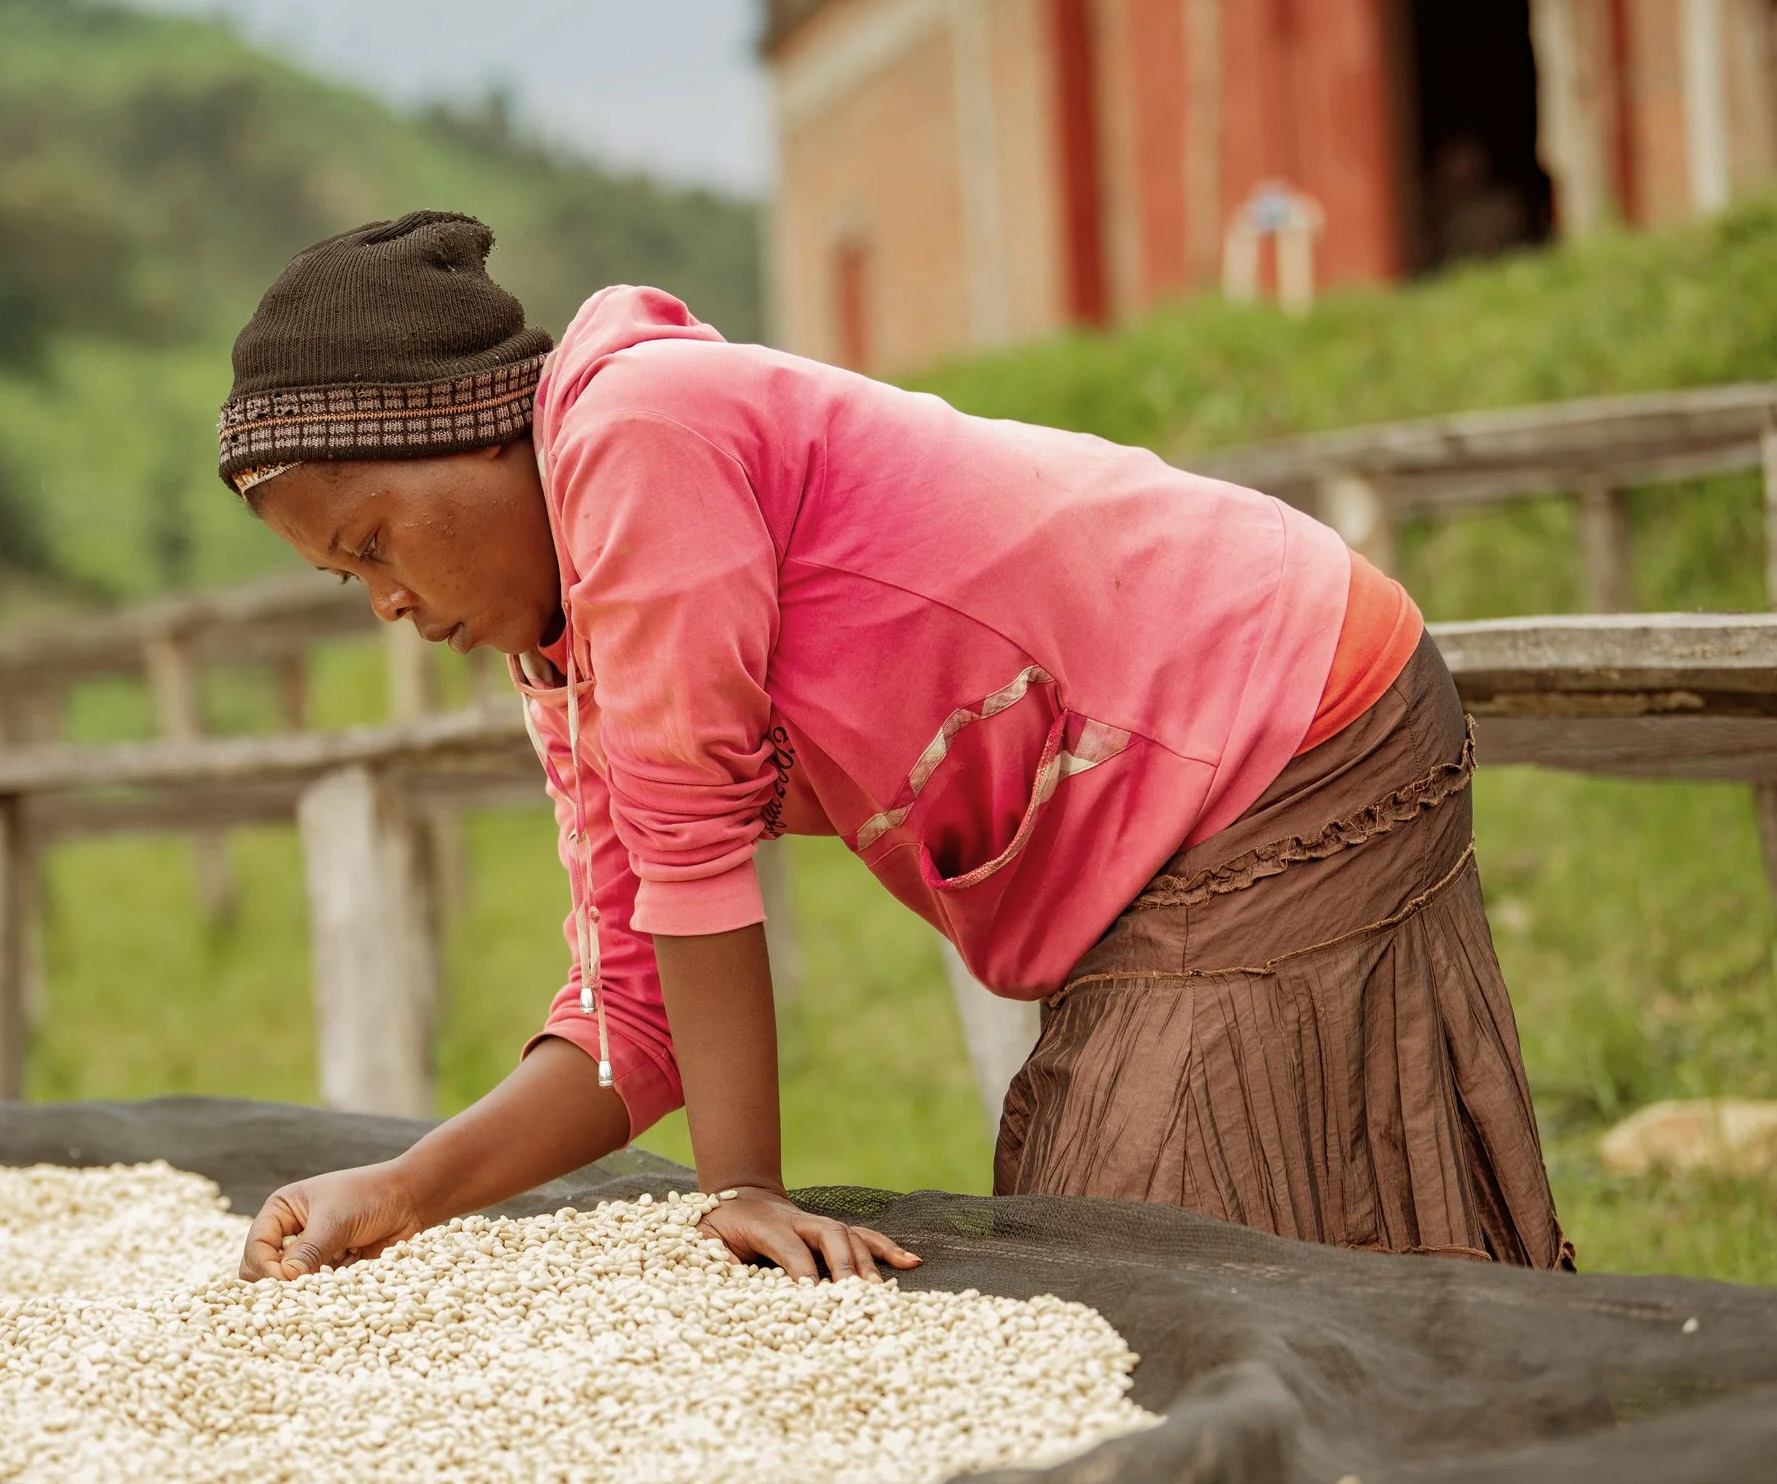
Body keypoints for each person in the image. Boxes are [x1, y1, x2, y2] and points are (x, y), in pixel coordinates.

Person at [225, 211, 1571, 1284]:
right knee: (1137, 1247)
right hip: (1174, 815)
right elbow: (635, 1010)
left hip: (1280, 730)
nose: (391, 603)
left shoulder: (637, 436)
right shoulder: (563, 652)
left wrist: (739, 1188)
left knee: (1152, 1261)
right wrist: (405, 1193)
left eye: (374, 541)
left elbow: (691, 847)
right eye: (353, 584)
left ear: (467, 430)